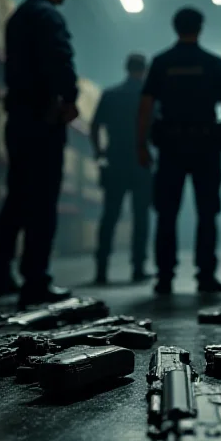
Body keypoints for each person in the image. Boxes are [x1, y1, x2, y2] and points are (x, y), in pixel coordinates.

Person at [0, 0, 78, 306]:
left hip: (19, 118)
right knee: (42, 202)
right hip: (43, 119)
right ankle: (35, 280)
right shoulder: (48, 15)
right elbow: (60, 59)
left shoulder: (17, 17)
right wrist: (69, 99)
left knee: (17, 197)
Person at [137, 7, 221, 296]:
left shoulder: (161, 62)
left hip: (170, 146)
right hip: (205, 147)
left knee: (166, 213)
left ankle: (164, 277)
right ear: (200, 28)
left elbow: (146, 106)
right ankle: (206, 277)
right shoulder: (212, 63)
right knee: (207, 213)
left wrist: (141, 145)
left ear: (174, 26)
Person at [90, 54, 152, 285]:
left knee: (110, 215)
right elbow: (156, 127)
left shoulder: (111, 94)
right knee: (141, 217)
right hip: (141, 160)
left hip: (115, 159)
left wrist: (99, 152)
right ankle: (138, 267)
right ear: (144, 70)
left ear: (126, 68)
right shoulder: (148, 96)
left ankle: (101, 268)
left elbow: (95, 125)